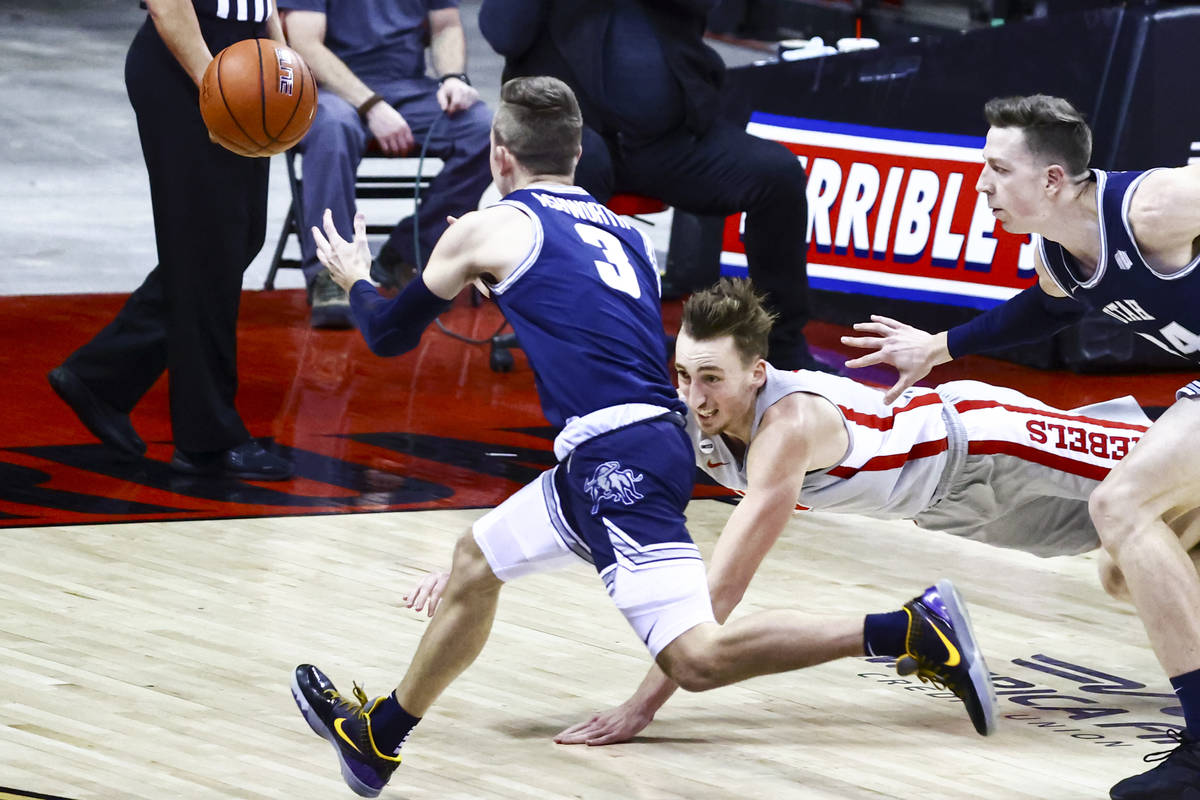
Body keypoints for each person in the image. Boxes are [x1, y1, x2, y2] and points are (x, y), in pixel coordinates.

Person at [288, 76, 995, 798]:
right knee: (475, 560)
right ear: (578, 153)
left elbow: (386, 334)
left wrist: (356, 277)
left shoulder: (489, 226)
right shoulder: (624, 232)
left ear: (499, 155)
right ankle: (379, 739)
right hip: (628, 444)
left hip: (617, 458)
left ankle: (908, 630)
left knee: (697, 659)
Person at [407, 276, 1165, 748]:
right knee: (1144, 556)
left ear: (756, 373)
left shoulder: (786, 428)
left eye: (712, 378)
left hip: (989, 444)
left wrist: (642, 707)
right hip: (951, 509)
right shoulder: (690, 417)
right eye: (683, 375)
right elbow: (593, 477)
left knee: (1174, 479)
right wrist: (480, 558)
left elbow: (720, 595)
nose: (694, 396)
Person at [841, 94, 1200, 800]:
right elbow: (1044, 308)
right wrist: (939, 347)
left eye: (998, 170)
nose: (982, 185)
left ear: (1053, 179)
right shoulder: (1060, 256)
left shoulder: (1153, 208)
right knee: (1127, 569)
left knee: (1121, 504)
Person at [477, 0, 823, 371]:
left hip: (669, 141)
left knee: (778, 174)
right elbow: (504, 33)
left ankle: (782, 347)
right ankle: (577, 345)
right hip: (572, 142)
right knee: (572, 169)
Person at [47, 0, 293, 480]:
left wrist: (285, 66)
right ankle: (208, 441)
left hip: (249, 59)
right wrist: (217, 87)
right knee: (210, 250)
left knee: (236, 241)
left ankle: (101, 376)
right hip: (190, 61)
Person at [278, 0, 493, 328]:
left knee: (483, 131)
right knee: (333, 128)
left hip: (408, 87)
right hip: (332, 92)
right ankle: (332, 273)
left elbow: (446, 25)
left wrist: (452, 77)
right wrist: (371, 105)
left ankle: (409, 252)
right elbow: (305, 44)